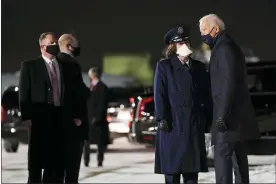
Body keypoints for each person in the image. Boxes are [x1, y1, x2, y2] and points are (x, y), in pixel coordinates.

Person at [198, 14, 260, 184]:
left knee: (223, 162)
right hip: (234, 120)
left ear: (215, 29)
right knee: (239, 162)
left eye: (204, 30)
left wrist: (221, 115)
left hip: (228, 121)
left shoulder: (224, 48)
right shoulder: (228, 46)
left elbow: (228, 83)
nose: (202, 35)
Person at [154, 26, 213, 184]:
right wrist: (161, 118)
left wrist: (208, 120)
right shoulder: (165, 67)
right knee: (172, 174)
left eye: (185, 42)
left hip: (193, 126)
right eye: (180, 43)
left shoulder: (199, 67)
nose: (184, 45)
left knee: (191, 174)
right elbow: (159, 94)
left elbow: (206, 96)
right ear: (173, 47)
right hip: (173, 126)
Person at [19, 32, 65, 183]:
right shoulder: (30, 66)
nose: (55, 46)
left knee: (56, 160)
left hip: (59, 116)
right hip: (39, 118)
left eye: (56, 43)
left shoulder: (63, 66)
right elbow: (24, 93)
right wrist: (26, 116)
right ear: (42, 47)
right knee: (37, 160)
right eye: (51, 43)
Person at [57, 34, 90, 183]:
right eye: (76, 45)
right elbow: (74, 93)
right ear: (69, 46)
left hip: (58, 123)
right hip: (72, 124)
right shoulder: (71, 64)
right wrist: (76, 117)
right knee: (72, 169)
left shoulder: (53, 62)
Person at [83, 67, 110, 167]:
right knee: (86, 142)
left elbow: (102, 104)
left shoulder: (102, 87)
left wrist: (97, 117)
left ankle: (99, 161)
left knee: (100, 142)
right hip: (89, 119)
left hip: (98, 120)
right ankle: (86, 161)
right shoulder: (91, 86)